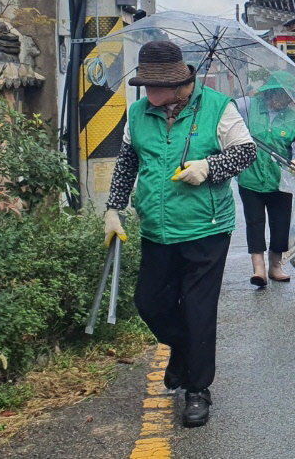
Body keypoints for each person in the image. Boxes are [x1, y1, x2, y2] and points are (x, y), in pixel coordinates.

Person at [102, 40, 257, 427]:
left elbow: (246, 151)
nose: (147, 93)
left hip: (206, 229)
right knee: (150, 303)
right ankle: (184, 352)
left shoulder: (219, 109)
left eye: (154, 86)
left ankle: (197, 389)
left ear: (177, 83)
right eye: (144, 85)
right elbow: (126, 163)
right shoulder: (138, 114)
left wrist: (209, 166)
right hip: (156, 229)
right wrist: (113, 209)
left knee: (198, 310)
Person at [236, 71, 295, 287]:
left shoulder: (293, 118)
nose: (282, 99)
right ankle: (258, 267)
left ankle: (275, 265)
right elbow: (226, 113)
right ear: (268, 92)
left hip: (282, 181)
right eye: (278, 93)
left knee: (281, 223)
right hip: (250, 178)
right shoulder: (247, 106)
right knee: (255, 222)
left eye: (287, 95)